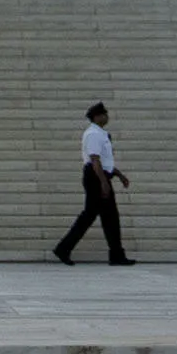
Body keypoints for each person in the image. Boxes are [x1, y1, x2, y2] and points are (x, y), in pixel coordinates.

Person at [53, 100, 132, 264]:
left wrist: (119, 175)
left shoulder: (101, 133)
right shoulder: (93, 134)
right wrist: (103, 183)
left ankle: (116, 254)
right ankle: (63, 248)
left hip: (101, 175)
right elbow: (95, 160)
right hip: (96, 177)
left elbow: (105, 161)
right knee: (91, 216)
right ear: (96, 117)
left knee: (108, 217)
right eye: (104, 114)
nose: (106, 117)